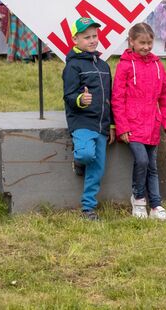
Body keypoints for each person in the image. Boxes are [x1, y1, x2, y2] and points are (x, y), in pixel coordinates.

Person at [112, 22, 166, 221]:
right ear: (131, 42)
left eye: (149, 42)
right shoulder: (124, 66)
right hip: (132, 125)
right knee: (142, 160)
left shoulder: (158, 65)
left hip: (152, 125)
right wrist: (122, 126)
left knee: (152, 166)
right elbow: (118, 98)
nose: (146, 47)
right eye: (142, 43)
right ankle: (138, 199)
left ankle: (156, 205)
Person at [63, 17, 115, 221]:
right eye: (87, 37)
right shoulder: (73, 66)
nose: (92, 40)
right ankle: (79, 161)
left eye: (95, 36)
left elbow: (109, 98)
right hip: (82, 122)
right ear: (75, 39)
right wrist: (80, 99)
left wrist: (111, 124)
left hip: (101, 124)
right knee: (86, 155)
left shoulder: (103, 65)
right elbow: (68, 96)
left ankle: (88, 208)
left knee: (98, 168)